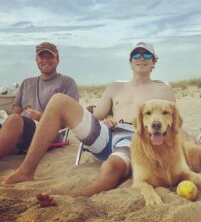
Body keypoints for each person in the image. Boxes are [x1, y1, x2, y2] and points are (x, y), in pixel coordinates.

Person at [3, 42, 176, 198]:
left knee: (112, 166)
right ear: (130, 61)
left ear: (154, 62)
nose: (141, 59)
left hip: (136, 138)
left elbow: (172, 124)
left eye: (147, 55)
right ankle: (26, 171)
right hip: (108, 134)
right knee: (58, 100)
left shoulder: (163, 90)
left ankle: (74, 198)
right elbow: (96, 115)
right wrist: (106, 118)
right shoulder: (115, 87)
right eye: (136, 55)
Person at [0, 42, 79, 158]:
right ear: (36, 60)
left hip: (49, 131)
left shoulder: (67, 82)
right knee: (11, 120)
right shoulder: (27, 83)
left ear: (58, 60)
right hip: (20, 128)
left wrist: (42, 118)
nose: (46, 60)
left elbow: (70, 119)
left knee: (14, 120)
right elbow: (16, 110)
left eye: (50, 56)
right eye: (42, 57)